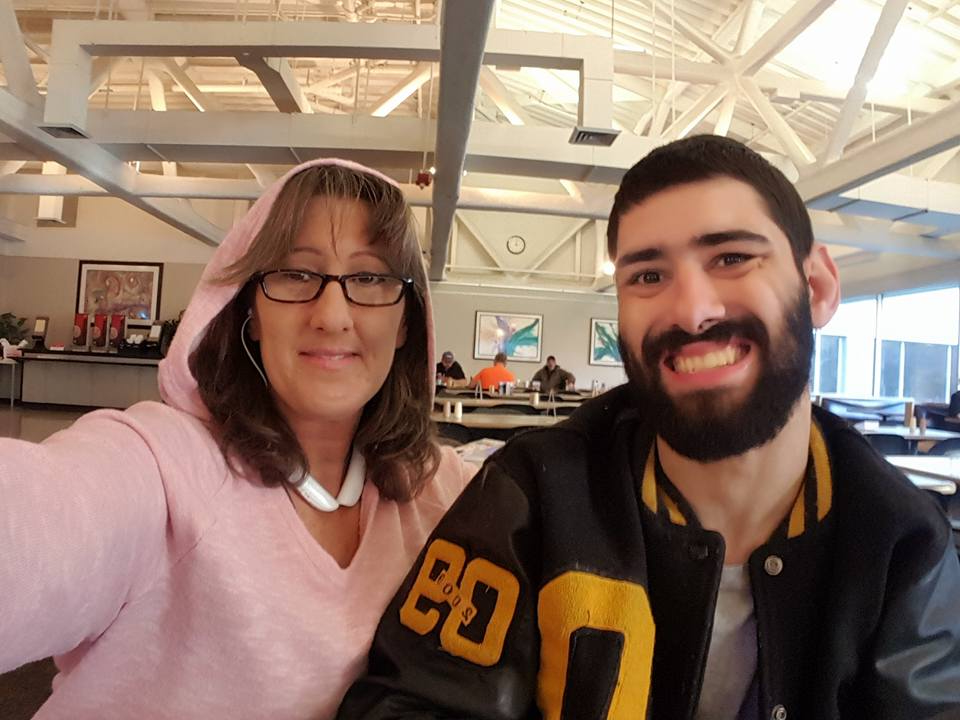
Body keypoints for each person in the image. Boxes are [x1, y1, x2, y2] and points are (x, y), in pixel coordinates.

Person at [338, 136, 960, 718]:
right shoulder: (533, 496)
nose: (691, 312)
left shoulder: (901, 545)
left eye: (732, 257)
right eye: (648, 276)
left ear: (818, 286)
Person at [0, 159, 476, 719]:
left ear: (404, 323)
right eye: (297, 274)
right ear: (248, 310)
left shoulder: (447, 497)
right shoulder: (164, 466)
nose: (332, 314)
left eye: (370, 278)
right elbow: (42, 517)